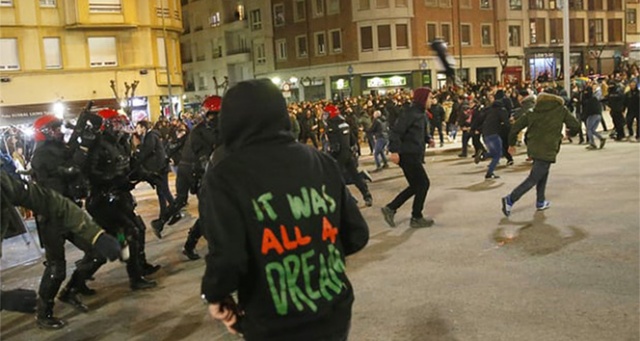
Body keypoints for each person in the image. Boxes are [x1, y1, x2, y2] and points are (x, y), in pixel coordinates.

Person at [200, 79, 369, 340]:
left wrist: (214, 295)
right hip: (333, 310)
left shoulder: (225, 175)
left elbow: (228, 257)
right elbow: (356, 234)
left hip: (273, 321)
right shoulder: (321, 162)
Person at [0, 168, 120, 323]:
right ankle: (45, 312)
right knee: (56, 267)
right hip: (51, 225)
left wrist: (96, 235)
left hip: (62, 214)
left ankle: (70, 291)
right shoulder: (44, 153)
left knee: (94, 255)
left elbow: (48, 200)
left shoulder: (3, 183)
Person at [83, 109, 159, 291]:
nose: (121, 127)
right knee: (124, 236)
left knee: (136, 230)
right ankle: (134, 276)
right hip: (103, 201)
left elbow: (130, 165)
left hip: (119, 197)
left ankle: (139, 267)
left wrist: (148, 175)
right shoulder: (98, 145)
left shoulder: (121, 143)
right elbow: (90, 173)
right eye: (117, 123)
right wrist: (114, 181)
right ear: (107, 125)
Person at [501, 89, 581, 217]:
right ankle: (510, 199)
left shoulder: (532, 112)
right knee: (534, 178)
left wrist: (511, 143)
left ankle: (540, 201)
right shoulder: (561, 110)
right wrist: (570, 133)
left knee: (542, 173)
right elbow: (576, 125)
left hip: (534, 147)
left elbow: (515, 127)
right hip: (548, 147)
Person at [380, 87, 436, 228]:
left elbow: (420, 132)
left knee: (416, 185)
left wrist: (428, 139)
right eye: (430, 97)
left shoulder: (421, 113)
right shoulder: (410, 113)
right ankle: (416, 217)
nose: (432, 100)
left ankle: (391, 208)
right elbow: (396, 132)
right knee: (423, 184)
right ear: (423, 99)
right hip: (407, 154)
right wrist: (394, 151)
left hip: (413, 154)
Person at [325, 104, 373, 207]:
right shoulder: (345, 123)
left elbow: (334, 146)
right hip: (348, 153)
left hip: (339, 156)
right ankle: (367, 195)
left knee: (336, 178)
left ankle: (350, 199)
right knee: (355, 176)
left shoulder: (331, 126)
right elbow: (353, 140)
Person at [134, 120, 181, 225]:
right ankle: (164, 214)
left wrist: (137, 147)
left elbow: (147, 151)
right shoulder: (149, 136)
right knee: (161, 192)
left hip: (160, 168)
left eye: (138, 127)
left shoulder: (150, 136)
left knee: (164, 191)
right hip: (159, 167)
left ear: (143, 127)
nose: (136, 130)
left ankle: (175, 212)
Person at [475, 92, 511, 179]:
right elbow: (506, 123)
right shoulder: (501, 110)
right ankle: (489, 173)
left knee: (496, 152)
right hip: (494, 134)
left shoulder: (490, 110)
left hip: (486, 133)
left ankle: (483, 155)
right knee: (497, 155)